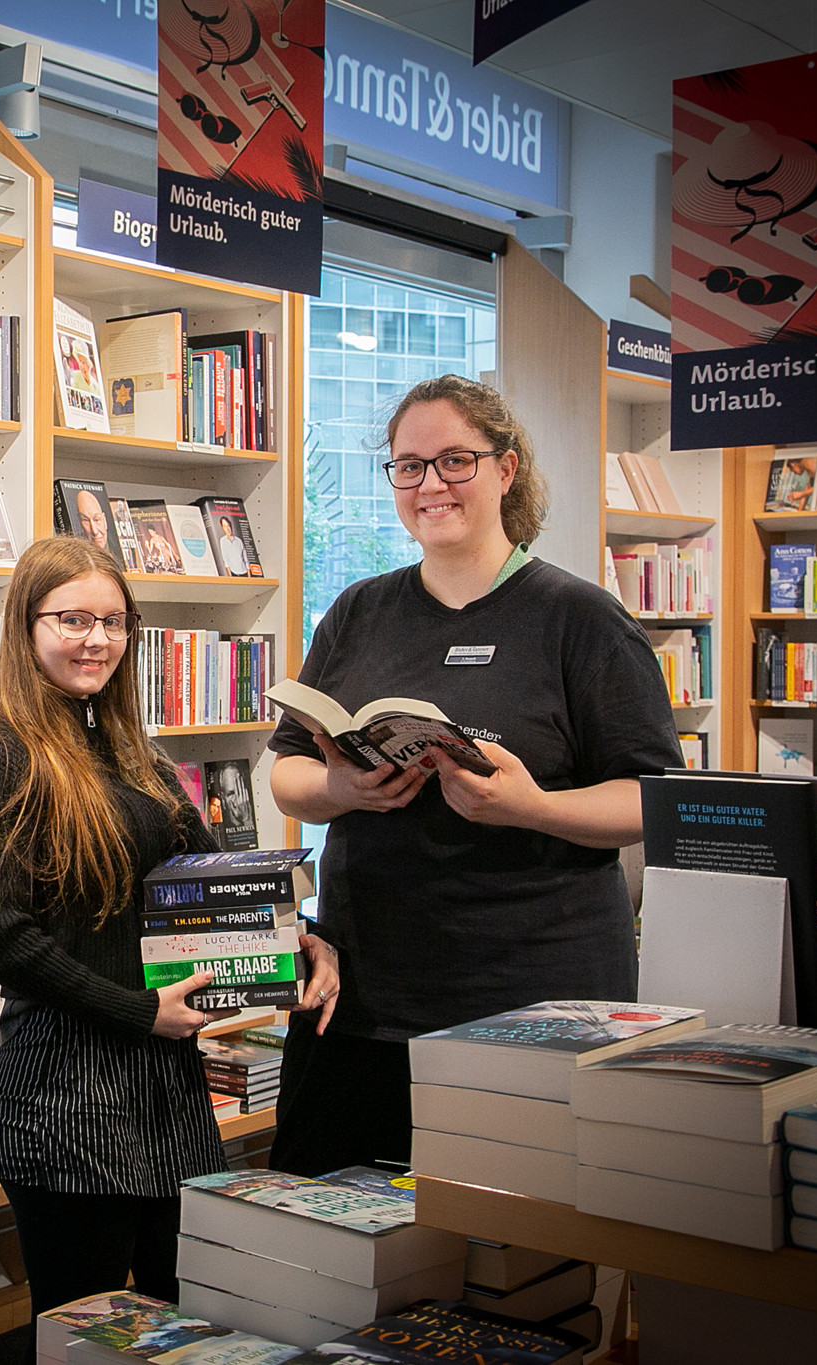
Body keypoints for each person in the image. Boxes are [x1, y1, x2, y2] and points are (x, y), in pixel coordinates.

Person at [265, 374, 681, 1177]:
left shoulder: (580, 618)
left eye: (456, 460)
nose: (432, 485)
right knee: (334, 1238)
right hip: (366, 993)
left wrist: (533, 806)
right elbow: (286, 770)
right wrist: (342, 789)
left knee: (518, 1262)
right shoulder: (357, 612)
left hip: (530, 997)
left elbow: (652, 799)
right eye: (409, 466)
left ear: (506, 469)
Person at [0, 535, 332, 1315]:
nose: (97, 639)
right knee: (83, 1334)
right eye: (73, 620)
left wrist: (299, 934)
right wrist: (139, 1010)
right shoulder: (6, 760)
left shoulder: (134, 754)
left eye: (115, 622)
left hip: (166, 1096)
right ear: (26, 628)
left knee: (185, 1324)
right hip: (65, 1100)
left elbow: (217, 878)